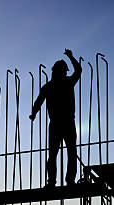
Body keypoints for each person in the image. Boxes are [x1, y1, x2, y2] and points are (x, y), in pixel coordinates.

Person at [29, 48, 82, 187]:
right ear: (60, 71)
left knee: (58, 153)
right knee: (64, 152)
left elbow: (38, 101)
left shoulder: (53, 85)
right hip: (64, 123)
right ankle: (63, 180)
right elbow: (39, 101)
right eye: (64, 71)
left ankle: (56, 181)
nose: (64, 73)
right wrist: (34, 112)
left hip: (60, 123)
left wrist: (34, 113)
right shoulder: (63, 83)